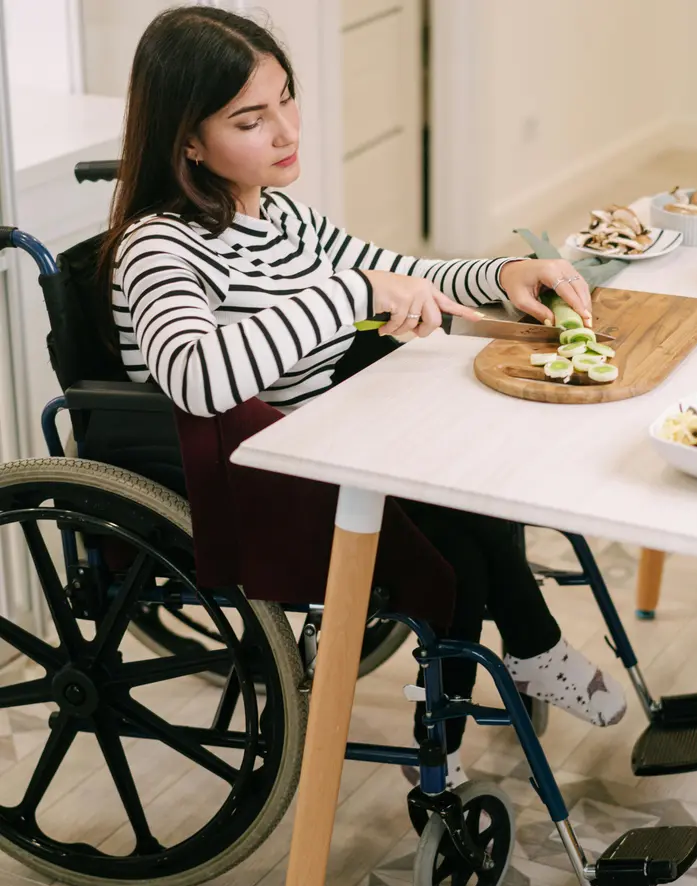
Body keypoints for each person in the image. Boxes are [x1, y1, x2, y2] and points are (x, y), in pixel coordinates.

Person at [105, 6, 626, 786]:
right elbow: (197, 378)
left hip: (331, 441)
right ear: (187, 141)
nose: (287, 131)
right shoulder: (159, 245)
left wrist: (502, 274)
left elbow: (397, 270)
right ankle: (472, 713)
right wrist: (351, 293)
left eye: (287, 99)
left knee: (473, 483)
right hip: (257, 480)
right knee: (456, 548)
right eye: (251, 119)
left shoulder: (280, 213)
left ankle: (517, 659)